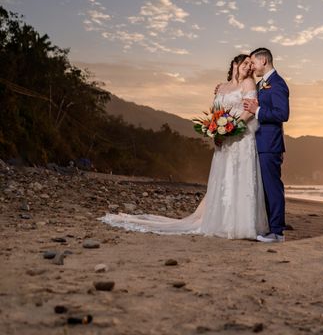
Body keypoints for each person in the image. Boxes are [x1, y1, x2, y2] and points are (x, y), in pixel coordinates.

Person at [100, 54, 269, 239]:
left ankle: (240, 225)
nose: (249, 67)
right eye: (245, 63)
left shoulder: (249, 84)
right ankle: (222, 221)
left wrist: (231, 127)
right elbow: (216, 112)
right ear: (235, 64)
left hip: (241, 137)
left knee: (240, 177)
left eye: (251, 65)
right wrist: (216, 130)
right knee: (223, 179)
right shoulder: (220, 87)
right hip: (224, 139)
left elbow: (249, 111)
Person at [243, 47, 290, 243]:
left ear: (264, 61)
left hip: (270, 144)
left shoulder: (278, 83)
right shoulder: (263, 84)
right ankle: (270, 228)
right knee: (265, 188)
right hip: (260, 142)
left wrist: (258, 110)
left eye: (253, 62)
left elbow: (282, 114)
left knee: (273, 188)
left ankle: (277, 232)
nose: (252, 66)